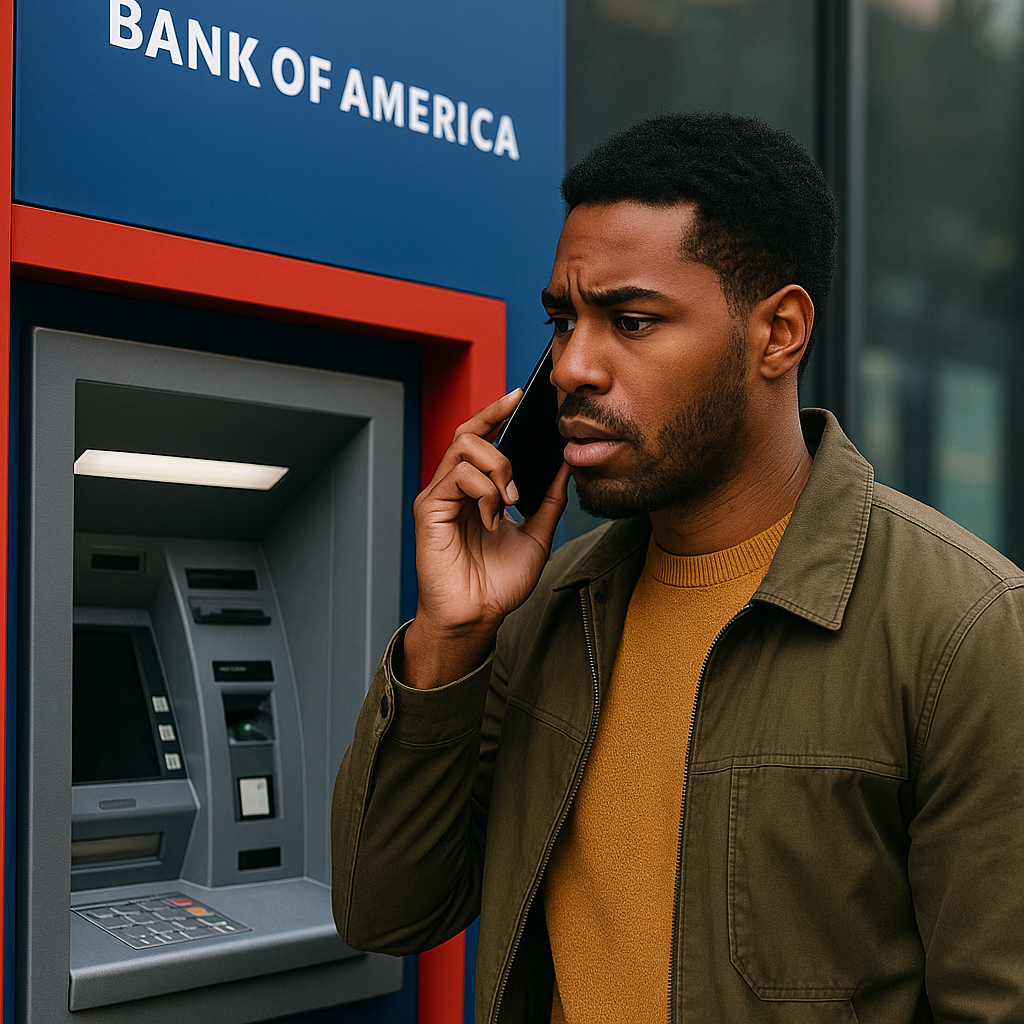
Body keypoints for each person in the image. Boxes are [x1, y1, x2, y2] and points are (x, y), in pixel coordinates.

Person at [331, 112, 1024, 1023]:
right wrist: (448, 641)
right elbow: (388, 910)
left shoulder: (963, 626)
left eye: (631, 321)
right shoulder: (546, 608)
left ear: (779, 332)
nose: (573, 366)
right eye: (563, 320)